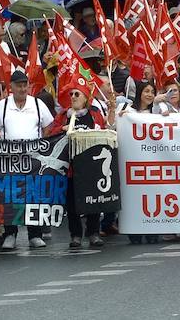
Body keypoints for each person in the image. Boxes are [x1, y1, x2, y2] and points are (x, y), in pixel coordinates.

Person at [0, 71, 54, 250]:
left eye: (25, 85)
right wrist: (1, 148)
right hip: (9, 159)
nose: (22, 88)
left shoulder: (37, 104)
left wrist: (40, 145)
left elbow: (48, 126)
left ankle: (35, 234)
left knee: (33, 195)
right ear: (12, 87)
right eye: (19, 85)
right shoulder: (3, 105)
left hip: (33, 159)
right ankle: (10, 234)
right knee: (10, 196)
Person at [63, 88, 105, 250]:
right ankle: (75, 234)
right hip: (71, 167)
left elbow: (104, 130)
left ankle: (93, 232)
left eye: (76, 94)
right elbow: (50, 133)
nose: (73, 97)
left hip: (91, 165)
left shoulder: (94, 115)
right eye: (71, 94)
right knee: (72, 202)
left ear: (86, 98)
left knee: (93, 200)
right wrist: (62, 130)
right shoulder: (64, 116)